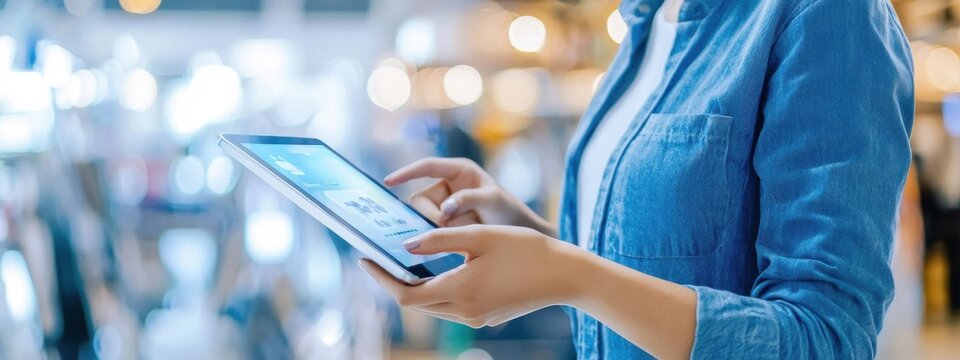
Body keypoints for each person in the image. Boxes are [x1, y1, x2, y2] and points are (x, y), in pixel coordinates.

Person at [359, 0, 914, 358]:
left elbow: (827, 337)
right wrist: (528, 232)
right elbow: (654, 271)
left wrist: (565, 272)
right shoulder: (645, 22)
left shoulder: (826, 14)